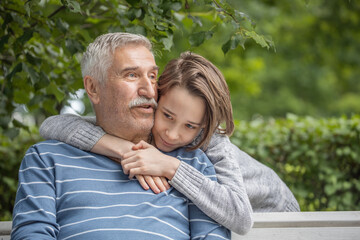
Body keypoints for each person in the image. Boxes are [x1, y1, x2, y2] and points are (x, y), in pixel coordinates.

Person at [40, 53, 300, 234]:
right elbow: (52, 125)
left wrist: (170, 167)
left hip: (276, 212)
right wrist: (122, 149)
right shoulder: (142, 120)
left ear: (204, 125)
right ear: (157, 96)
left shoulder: (213, 140)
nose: (173, 135)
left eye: (189, 126)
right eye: (167, 116)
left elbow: (241, 217)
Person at [11, 33, 231, 239]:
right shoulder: (46, 159)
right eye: (132, 75)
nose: (148, 89)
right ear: (93, 88)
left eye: (153, 76)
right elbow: (32, 233)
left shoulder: (191, 162)